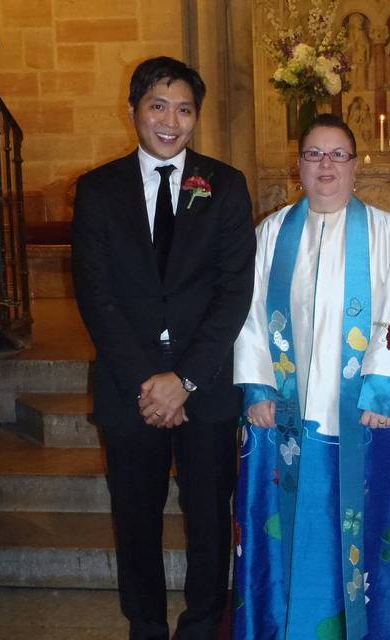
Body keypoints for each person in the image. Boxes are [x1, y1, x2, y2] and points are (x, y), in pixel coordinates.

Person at [71, 56, 255, 640]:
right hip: (132, 389)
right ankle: (145, 627)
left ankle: (202, 625)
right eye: (158, 105)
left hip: (206, 388)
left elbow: (234, 292)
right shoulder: (98, 190)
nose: (170, 121)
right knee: (136, 519)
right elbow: (95, 294)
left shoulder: (224, 185)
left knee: (208, 519)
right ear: (134, 111)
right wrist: (149, 381)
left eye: (184, 109)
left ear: (196, 117)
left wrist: (187, 380)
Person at [232, 114, 390, 639]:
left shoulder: (385, 232)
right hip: (290, 414)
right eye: (314, 154)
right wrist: (257, 386)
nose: (325, 165)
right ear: (298, 165)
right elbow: (246, 313)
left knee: (359, 526)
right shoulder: (271, 233)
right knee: (299, 528)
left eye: (337, 155)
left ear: (355, 166)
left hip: (361, 410)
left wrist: (384, 388)